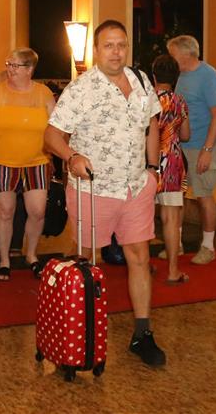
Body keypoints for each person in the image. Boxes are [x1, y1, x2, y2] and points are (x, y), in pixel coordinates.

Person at [44, 19, 166, 367]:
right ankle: (77, 331)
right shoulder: (81, 89)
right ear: (96, 50)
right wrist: (72, 156)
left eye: (121, 45)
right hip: (93, 188)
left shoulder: (141, 81)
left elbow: (152, 122)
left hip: (135, 186)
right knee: (84, 259)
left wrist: (153, 169)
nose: (116, 52)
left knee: (139, 257)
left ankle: (142, 334)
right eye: (109, 45)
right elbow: (51, 136)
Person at [0, 48, 55, 281]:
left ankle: (31, 254)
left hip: (37, 161)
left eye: (15, 65)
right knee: (5, 212)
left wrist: (60, 154)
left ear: (29, 69)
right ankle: (4, 260)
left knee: (38, 211)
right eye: (9, 64)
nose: (10, 69)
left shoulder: (43, 93)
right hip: (1, 161)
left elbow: (55, 128)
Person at [167, 35, 216, 265]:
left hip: (201, 145)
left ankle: (208, 247)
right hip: (180, 146)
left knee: (203, 195)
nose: (171, 59)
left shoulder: (208, 75)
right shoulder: (179, 76)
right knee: (177, 196)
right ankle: (176, 243)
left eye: (173, 55)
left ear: (185, 53)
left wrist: (207, 149)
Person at [151, 55, 190, 284]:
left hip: (148, 162)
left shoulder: (148, 100)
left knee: (144, 215)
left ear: (154, 76)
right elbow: (185, 135)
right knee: (171, 219)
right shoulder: (179, 102)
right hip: (173, 163)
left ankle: (144, 264)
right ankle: (173, 271)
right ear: (176, 77)